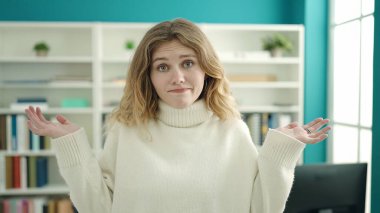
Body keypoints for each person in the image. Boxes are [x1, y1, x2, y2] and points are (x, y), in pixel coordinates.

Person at [25, 18, 331, 213]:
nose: (178, 78)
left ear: (206, 69)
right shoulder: (126, 130)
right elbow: (97, 208)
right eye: (162, 67)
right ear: (148, 76)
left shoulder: (232, 129)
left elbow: (261, 209)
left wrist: (281, 150)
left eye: (188, 63)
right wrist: (73, 146)